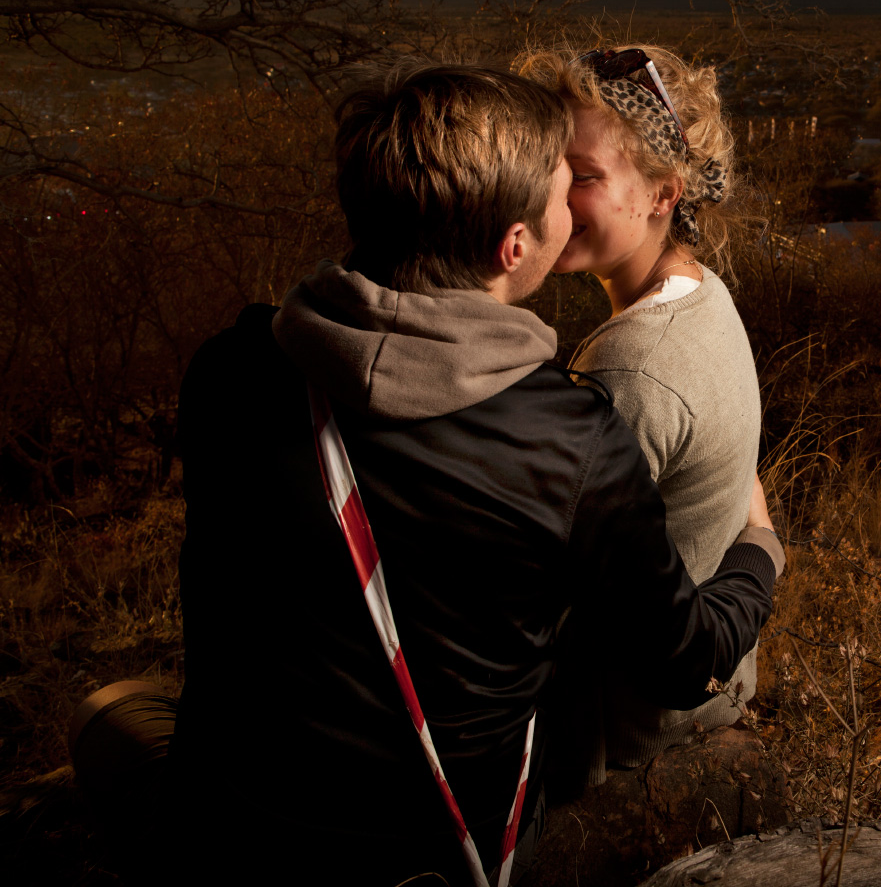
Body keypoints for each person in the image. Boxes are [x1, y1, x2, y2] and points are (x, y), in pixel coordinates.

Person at [122, 61, 785, 886]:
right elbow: (682, 660)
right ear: (515, 246)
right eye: (558, 185)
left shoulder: (230, 372)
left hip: (229, 830)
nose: (570, 204)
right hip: (429, 851)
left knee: (111, 714)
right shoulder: (569, 440)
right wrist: (761, 548)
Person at [516, 45, 762, 787]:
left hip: (617, 734)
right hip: (706, 697)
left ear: (663, 194)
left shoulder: (628, 368)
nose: (552, 199)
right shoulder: (704, 292)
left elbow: (542, 595)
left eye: (584, 177)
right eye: (550, 169)